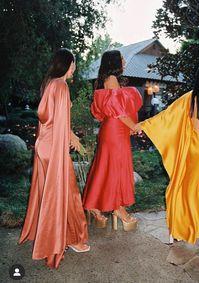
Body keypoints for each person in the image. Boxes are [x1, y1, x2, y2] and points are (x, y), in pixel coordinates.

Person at [140, 61, 199, 249]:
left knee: (185, 191)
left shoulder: (190, 98)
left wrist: (142, 125)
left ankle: (177, 231)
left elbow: (166, 118)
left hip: (193, 152)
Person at [18, 48, 89, 269]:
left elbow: (51, 120)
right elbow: (61, 122)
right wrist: (72, 139)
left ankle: (55, 236)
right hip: (53, 148)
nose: (75, 68)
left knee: (50, 193)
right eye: (74, 64)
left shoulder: (50, 84)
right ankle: (71, 240)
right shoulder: (62, 85)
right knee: (67, 194)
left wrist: (72, 137)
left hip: (43, 146)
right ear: (67, 64)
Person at [82, 50, 142, 231]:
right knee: (116, 170)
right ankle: (118, 209)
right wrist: (134, 126)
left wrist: (129, 126)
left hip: (112, 129)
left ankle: (93, 205)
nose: (124, 60)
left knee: (105, 168)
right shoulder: (112, 80)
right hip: (115, 130)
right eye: (122, 58)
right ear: (115, 61)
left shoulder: (105, 80)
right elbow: (119, 111)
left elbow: (110, 111)